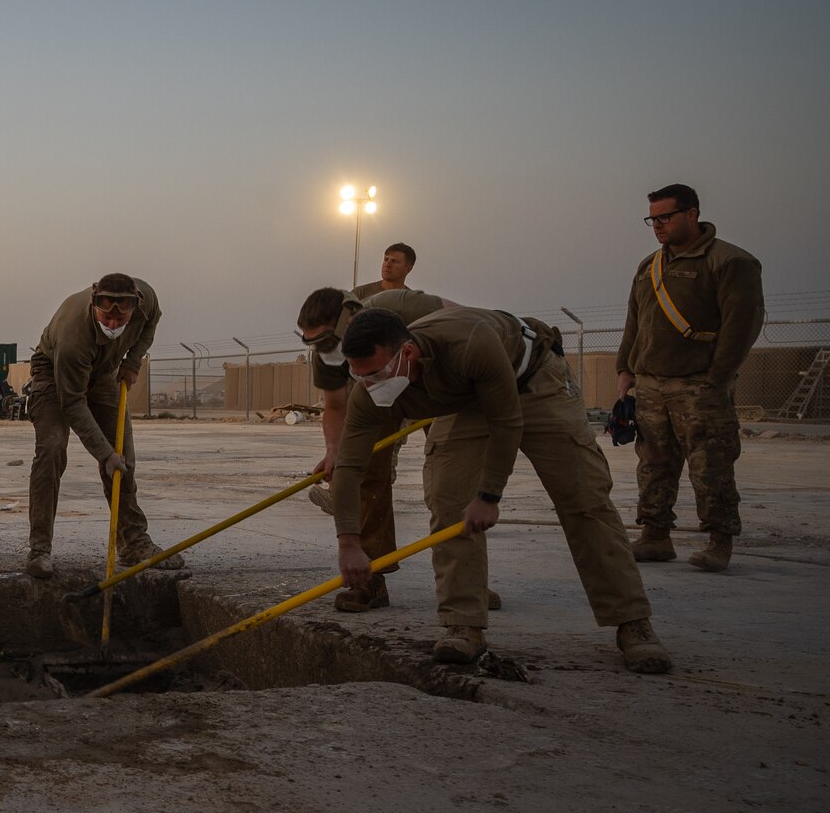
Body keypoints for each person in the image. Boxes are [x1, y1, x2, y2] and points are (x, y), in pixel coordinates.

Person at [332, 307, 671, 672]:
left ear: (408, 353)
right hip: (464, 401)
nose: (370, 384)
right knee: (448, 503)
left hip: (532, 381)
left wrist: (489, 496)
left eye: (378, 374)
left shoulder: (470, 343)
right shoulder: (369, 391)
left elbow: (507, 421)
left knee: (584, 499)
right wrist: (350, 544)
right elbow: (350, 466)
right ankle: (463, 624)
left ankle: (632, 622)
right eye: (359, 375)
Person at [294, 285, 474, 612]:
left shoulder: (402, 306)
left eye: (326, 341)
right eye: (312, 343)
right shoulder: (325, 355)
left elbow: (469, 323)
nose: (323, 350)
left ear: (349, 319)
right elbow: (335, 405)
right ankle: (369, 578)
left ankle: (468, 583)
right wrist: (334, 449)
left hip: (443, 384)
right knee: (365, 474)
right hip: (379, 392)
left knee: (451, 484)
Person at [616, 184, 765, 572]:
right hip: (650, 384)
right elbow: (635, 321)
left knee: (710, 464)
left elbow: (742, 324)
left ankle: (719, 541)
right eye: (653, 219)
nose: (658, 226)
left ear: (692, 214)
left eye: (666, 217)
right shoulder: (650, 266)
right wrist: (625, 369)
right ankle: (655, 535)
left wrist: (716, 376)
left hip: (699, 384)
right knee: (653, 464)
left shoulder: (730, 262)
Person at [24, 274, 162, 579]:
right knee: (51, 449)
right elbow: (73, 403)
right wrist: (104, 454)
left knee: (123, 455)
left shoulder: (146, 299)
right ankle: (39, 551)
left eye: (120, 317)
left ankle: (134, 544)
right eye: (105, 316)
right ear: (94, 302)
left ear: (134, 304)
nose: (112, 325)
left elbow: (153, 321)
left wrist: (133, 360)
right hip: (54, 375)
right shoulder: (74, 334)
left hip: (104, 373)